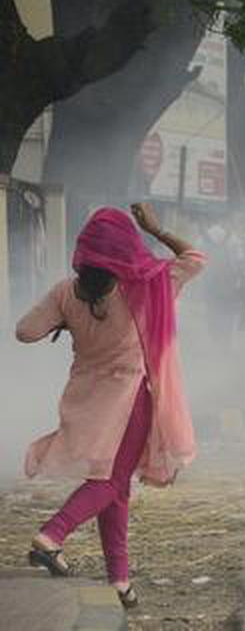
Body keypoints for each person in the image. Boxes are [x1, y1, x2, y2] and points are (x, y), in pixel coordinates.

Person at [18, 203, 205, 608]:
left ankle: (119, 581)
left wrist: (65, 320)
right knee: (111, 482)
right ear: (128, 246)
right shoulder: (146, 284)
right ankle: (52, 534)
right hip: (128, 401)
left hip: (84, 400)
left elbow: (25, 332)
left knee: (116, 489)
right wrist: (156, 228)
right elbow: (194, 259)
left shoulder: (67, 291)